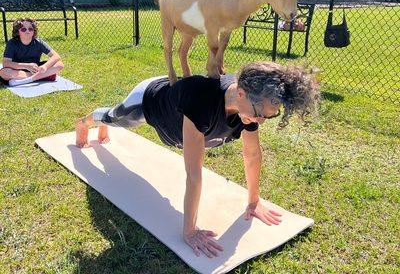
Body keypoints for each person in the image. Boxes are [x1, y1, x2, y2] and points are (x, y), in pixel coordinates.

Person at [76, 62, 320, 258]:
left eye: (270, 116)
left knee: (115, 125)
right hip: (148, 100)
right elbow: (193, 173)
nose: (261, 121)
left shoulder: (249, 109)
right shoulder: (201, 100)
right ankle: (85, 122)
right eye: (259, 114)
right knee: (113, 117)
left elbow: (252, 155)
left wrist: (253, 201)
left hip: (176, 105)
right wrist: (189, 231)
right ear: (241, 93)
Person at [0, 18, 64, 87]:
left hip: (35, 69)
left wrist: (45, 66)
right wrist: (27, 66)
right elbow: (6, 63)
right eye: (23, 29)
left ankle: (25, 80)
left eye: (30, 29)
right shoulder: (12, 43)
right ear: (18, 32)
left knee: (60, 64)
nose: (27, 31)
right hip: (17, 70)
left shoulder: (38, 42)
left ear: (34, 31)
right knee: (4, 72)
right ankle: (41, 76)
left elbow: (56, 56)